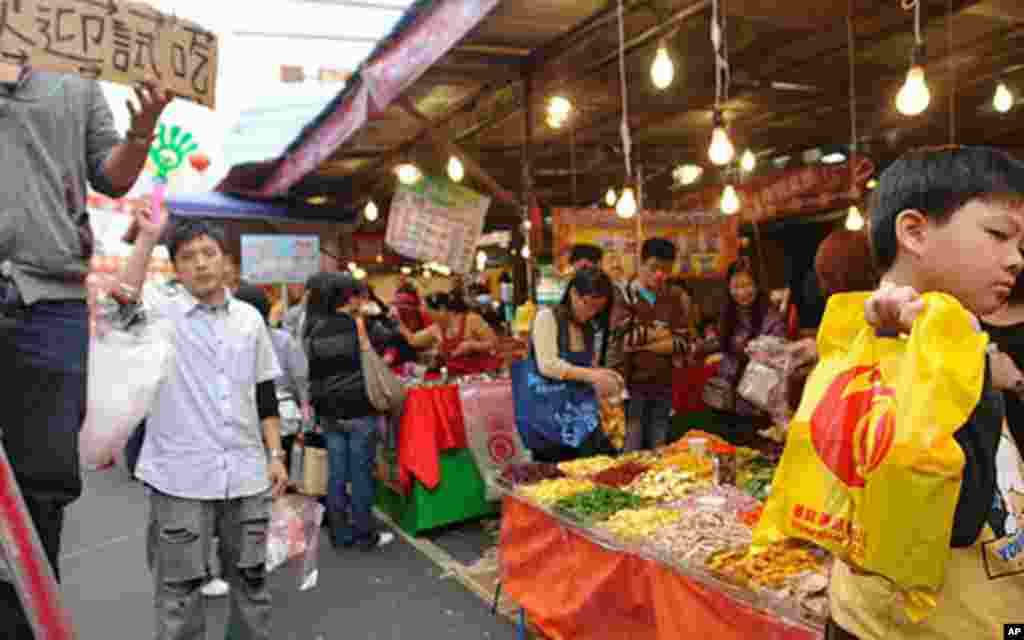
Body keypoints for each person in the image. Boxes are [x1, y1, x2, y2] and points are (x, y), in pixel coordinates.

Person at [0, 69, 172, 638]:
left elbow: (112, 176)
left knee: (44, 485)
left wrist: (143, 129)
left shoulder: (73, 72)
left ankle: (26, 623)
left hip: (50, 299)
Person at [828, 146, 1024, 640]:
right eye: (998, 234)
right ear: (914, 232)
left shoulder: (956, 336)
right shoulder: (878, 349)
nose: (1017, 259)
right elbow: (955, 518)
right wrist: (972, 370)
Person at [115, 215, 287, 640]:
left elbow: (264, 392)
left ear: (226, 261)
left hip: (247, 474)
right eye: (188, 257)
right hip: (179, 478)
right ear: (175, 267)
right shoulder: (160, 313)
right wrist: (148, 239)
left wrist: (276, 454)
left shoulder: (249, 319)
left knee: (251, 583)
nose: (201, 264)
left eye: (209, 253)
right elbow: (122, 301)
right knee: (179, 592)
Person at [304, 273, 395, 552]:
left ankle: (340, 535)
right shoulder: (361, 325)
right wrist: (379, 314)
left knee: (336, 476)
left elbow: (314, 377)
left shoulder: (316, 328)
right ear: (350, 298)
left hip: (331, 414)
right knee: (361, 475)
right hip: (359, 410)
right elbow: (391, 337)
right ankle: (365, 534)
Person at [530, 268, 623, 462]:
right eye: (587, 304)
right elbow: (547, 365)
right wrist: (592, 375)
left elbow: (588, 367)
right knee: (554, 477)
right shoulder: (547, 317)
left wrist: (605, 375)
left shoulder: (588, 327)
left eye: (597, 309)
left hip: (581, 416)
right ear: (573, 293)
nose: (590, 312)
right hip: (550, 416)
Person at [608, 238, 691, 452]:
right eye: (653, 268)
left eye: (666, 269)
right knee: (631, 448)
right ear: (640, 263)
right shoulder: (623, 294)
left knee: (660, 447)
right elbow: (626, 339)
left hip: (663, 384)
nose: (659, 275)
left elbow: (683, 343)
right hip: (630, 385)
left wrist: (644, 341)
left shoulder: (675, 297)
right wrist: (665, 335)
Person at [233, 284, 313, 471]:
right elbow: (302, 382)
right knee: (278, 475)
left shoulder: (229, 343)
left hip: (242, 420)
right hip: (283, 419)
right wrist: (306, 418)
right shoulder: (284, 340)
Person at [710, 258, 788, 431]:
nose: (742, 292)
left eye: (747, 285)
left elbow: (780, 352)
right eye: (736, 287)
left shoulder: (771, 316)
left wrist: (755, 349)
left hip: (758, 399)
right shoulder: (726, 314)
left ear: (757, 285)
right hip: (726, 399)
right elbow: (718, 344)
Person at [396, 290, 501, 376]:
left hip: (482, 375)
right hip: (455, 377)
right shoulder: (435, 328)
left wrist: (472, 345)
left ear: (442, 309)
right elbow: (413, 340)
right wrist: (398, 321)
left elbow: (494, 342)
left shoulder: (472, 319)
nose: (427, 316)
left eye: (429, 312)